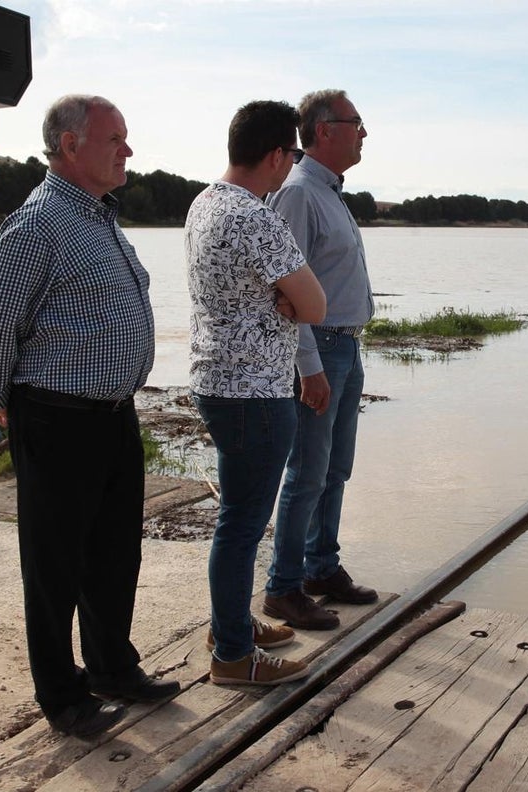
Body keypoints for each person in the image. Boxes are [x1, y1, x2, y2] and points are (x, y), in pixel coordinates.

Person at [0, 94, 179, 738]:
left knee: (114, 554)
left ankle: (113, 666)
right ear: (70, 145)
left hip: (112, 416)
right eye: (115, 138)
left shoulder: (100, 217)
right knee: (55, 566)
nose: (128, 150)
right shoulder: (38, 226)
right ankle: (63, 697)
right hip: (57, 419)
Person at [185, 100, 326, 685]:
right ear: (276, 155)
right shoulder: (255, 217)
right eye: (292, 154)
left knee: (235, 519)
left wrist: (282, 299)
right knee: (243, 525)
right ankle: (234, 658)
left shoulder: (204, 202)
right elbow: (316, 305)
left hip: (216, 381)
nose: (291, 165)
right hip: (256, 394)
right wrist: (287, 302)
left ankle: (231, 626)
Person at [262, 89, 378, 631]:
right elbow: (286, 290)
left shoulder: (329, 191)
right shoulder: (299, 194)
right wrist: (307, 366)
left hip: (345, 345)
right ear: (324, 130)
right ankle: (284, 588)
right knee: (306, 471)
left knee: (335, 468)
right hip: (320, 349)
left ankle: (320, 569)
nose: (364, 132)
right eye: (356, 123)